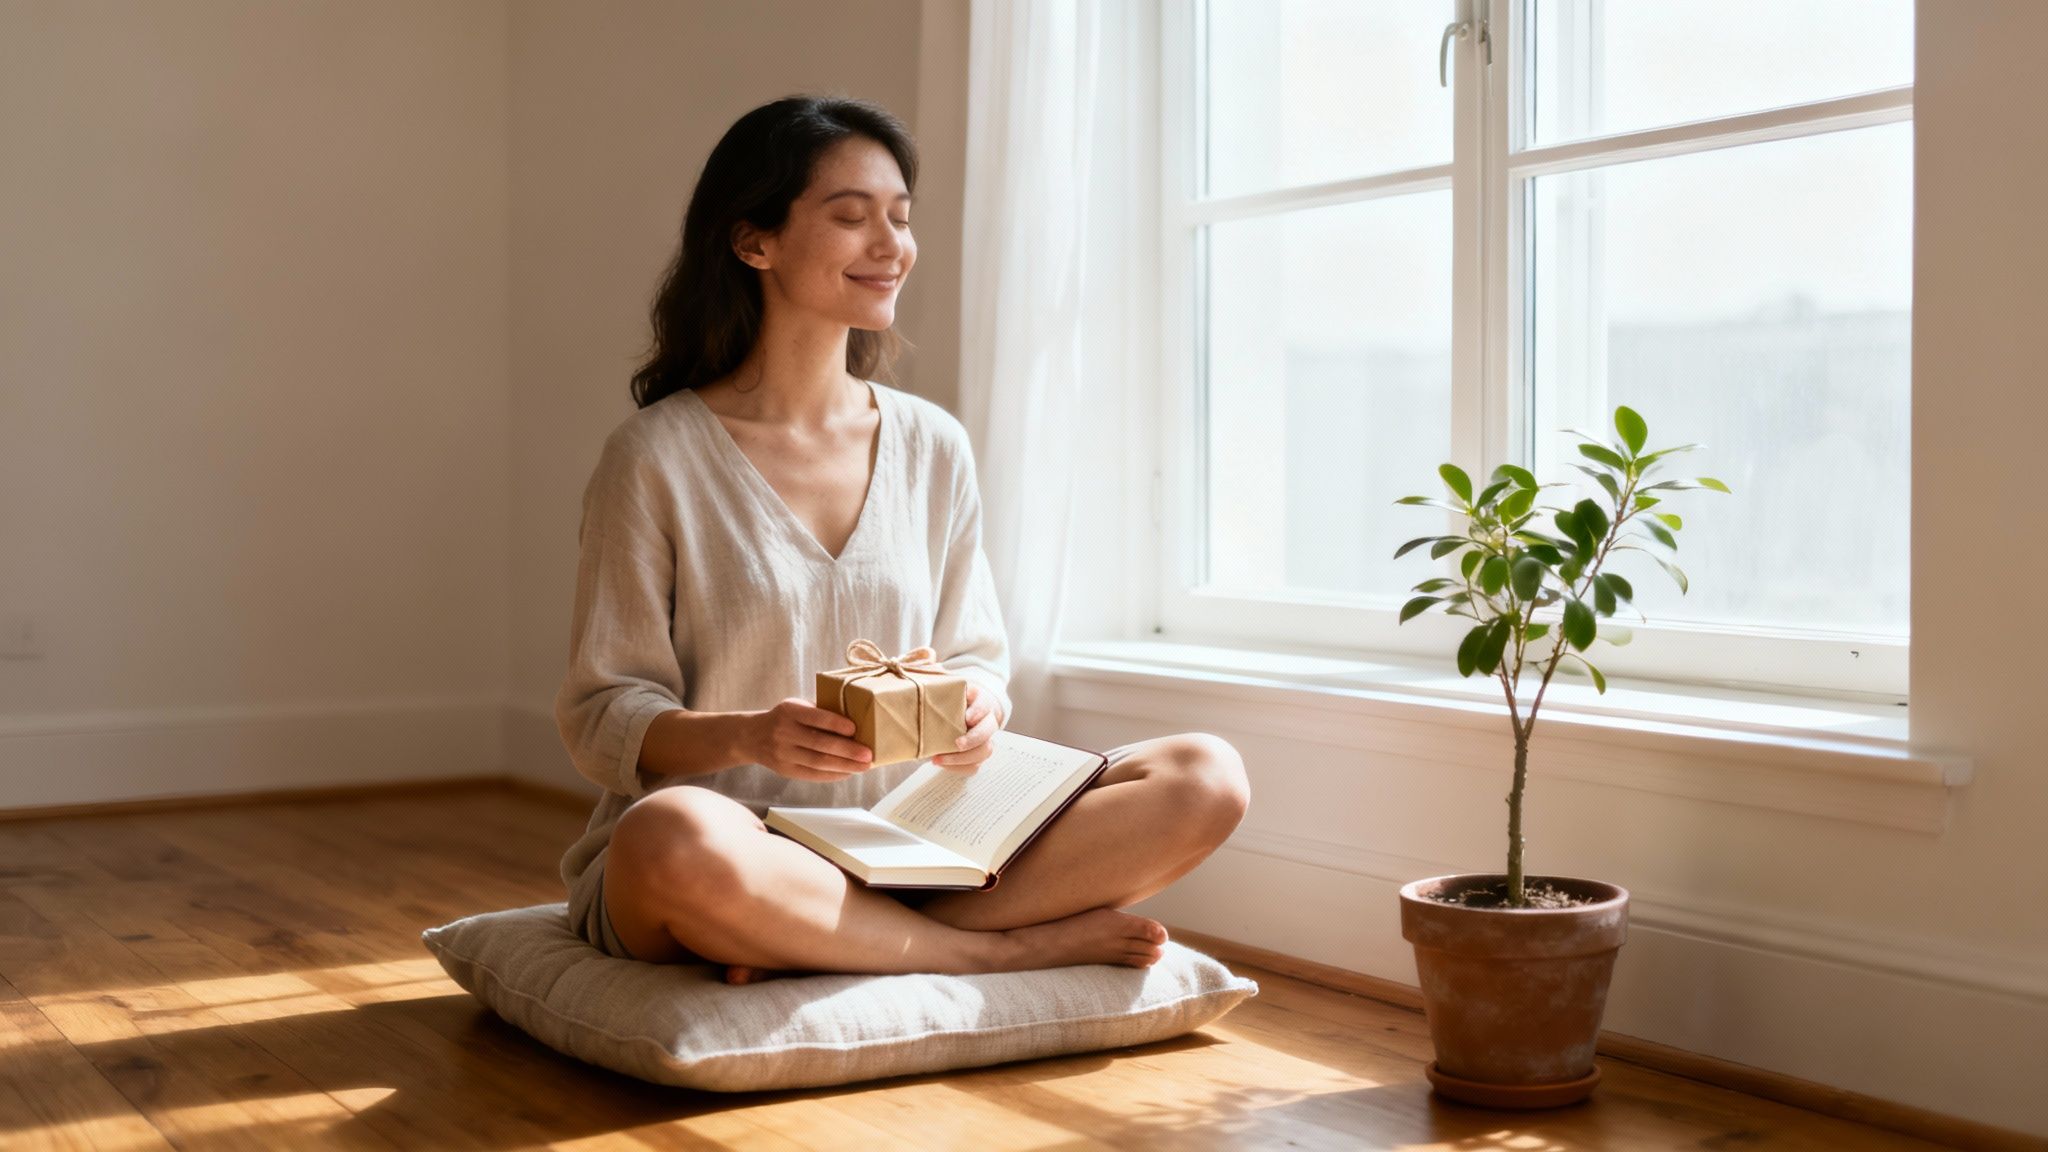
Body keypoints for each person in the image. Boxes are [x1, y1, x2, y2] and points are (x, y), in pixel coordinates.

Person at [553, 94, 1250, 985]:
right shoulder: (653, 457)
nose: (892, 247)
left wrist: (978, 709)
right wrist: (751, 738)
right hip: (740, 840)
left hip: (914, 843)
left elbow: (977, 656)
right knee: (672, 836)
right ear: (751, 241)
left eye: (901, 218)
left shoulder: (932, 443)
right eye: (851, 217)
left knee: (1205, 774)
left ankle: (830, 939)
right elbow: (601, 716)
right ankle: (986, 950)